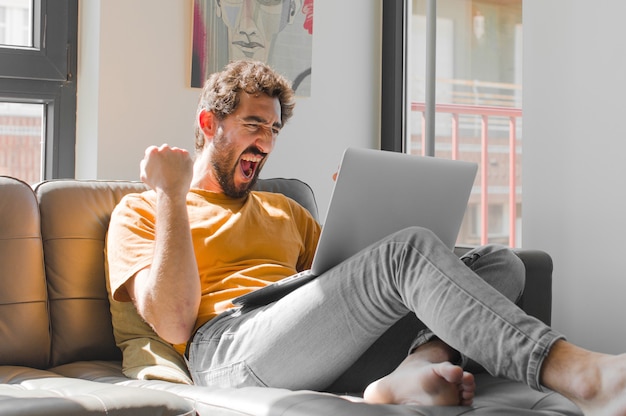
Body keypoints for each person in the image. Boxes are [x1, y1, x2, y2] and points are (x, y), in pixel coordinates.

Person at [106, 60, 626, 414]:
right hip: (228, 348)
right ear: (209, 123)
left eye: (273, 130)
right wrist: (172, 194)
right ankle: (576, 374)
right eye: (251, 125)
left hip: (313, 345)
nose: (265, 142)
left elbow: (340, 291)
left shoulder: (285, 210)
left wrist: (363, 217)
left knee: (501, 262)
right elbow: (173, 321)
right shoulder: (145, 208)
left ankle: (414, 369)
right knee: (406, 251)